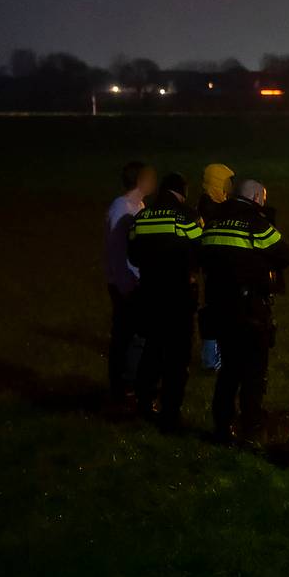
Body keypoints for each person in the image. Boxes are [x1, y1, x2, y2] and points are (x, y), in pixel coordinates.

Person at [200, 179, 289, 444]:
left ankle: (221, 425)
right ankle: (251, 426)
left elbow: (203, 257)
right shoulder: (256, 224)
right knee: (254, 370)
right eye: (263, 198)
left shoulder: (214, 223)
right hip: (250, 311)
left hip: (220, 308)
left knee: (229, 369)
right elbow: (286, 255)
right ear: (255, 197)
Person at [128, 172, 203, 430]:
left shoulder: (142, 216)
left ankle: (144, 402)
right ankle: (170, 410)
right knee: (177, 356)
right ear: (181, 191)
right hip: (178, 296)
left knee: (152, 349)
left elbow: (134, 255)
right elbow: (200, 250)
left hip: (149, 294)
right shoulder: (186, 216)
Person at [105, 161, 156, 404]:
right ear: (139, 181)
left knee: (136, 335)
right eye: (149, 177)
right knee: (124, 336)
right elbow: (116, 252)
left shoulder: (139, 206)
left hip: (136, 282)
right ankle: (120, 388)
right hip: (125, 285)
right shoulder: (122, 208)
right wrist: (126, 285)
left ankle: (131, 383)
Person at [196, 163, 234, 372]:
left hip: (215, 268)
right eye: (226, 183)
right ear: (216, 184)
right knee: (214, 312)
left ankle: (213, 356)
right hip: (213, 270)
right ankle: (211, 359)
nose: (230, 188)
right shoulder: (209, 210)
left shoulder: (214, 206)